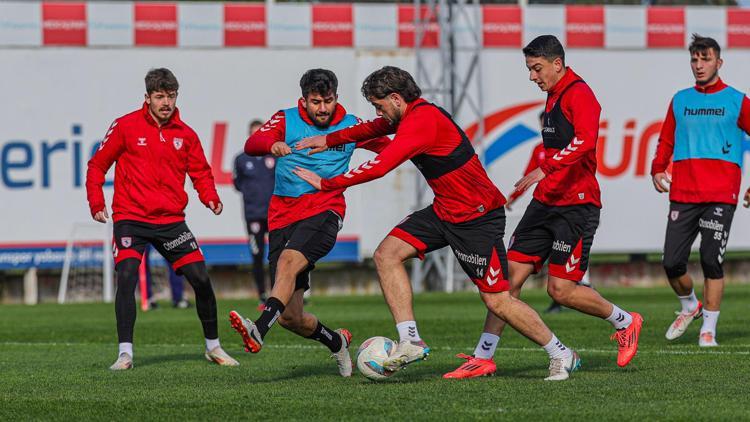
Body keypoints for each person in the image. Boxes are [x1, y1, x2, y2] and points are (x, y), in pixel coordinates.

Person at [295, 66, 580, 381]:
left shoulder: (423, 122)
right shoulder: (409, 115)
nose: (379, 113)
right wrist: (329, 139)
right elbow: (371, 129)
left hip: (477, 217)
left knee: (498, 300)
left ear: (395, 98)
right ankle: (411, 340)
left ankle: (561, 353)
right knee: (386, 254)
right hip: (445, 211)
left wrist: (326, 184)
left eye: (379, 105)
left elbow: (381, 166)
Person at [441, 35, 642, 379]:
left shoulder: (580, 94)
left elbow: (585, 141)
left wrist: (544, 168)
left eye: (536, 68)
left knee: (560, 290)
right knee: (502, 284)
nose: (533, 76)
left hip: (576, 206)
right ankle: (483, 356)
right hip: (544, 203)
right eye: (529, 69)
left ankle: (625, 321)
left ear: (557, 64)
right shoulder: (553, 96)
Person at [228, 69, 389, 377]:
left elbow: (388, 149)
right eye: (316, 102)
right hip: (282, 216)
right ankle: (337, 341)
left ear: (336, 98)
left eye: (328, 101)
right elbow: (253, 142)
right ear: (304, 100)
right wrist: (271, 146)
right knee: (291, 317)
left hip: (325, 209)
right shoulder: (286, 119)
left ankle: (258, 329)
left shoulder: (351, 125)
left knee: (289, 261)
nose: (323, 108)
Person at [86, 68, 238, 370]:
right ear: (147, 98)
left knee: (201, 280)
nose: (166, 102)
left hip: (171, 222)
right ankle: (125, 354)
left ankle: (213, 347)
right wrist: (96, 202)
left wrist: (210, 196)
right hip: (131, 217)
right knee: (127, 277)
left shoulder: (186, 134)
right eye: (159, 97)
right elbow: (97, 165)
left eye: (170, 96)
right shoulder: (125, 126)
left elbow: (201, 172)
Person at [651, 34, 750, 347]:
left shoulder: (737, 100)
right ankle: (689, 305)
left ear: (719, 63)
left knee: (710, 259)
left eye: (705, 59)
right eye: (694, 59)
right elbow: (666, 140)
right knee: (671, 263)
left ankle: (708, 329)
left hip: (721, 194)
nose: (699, 65)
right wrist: (657, 168)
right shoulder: (680, 100)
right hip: (684, 192)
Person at [507, 112, 591, 315]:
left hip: (568, 210)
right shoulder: (539, 149)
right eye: (543, 124)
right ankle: (486, 346)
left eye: (548, 124)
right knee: (512, 276)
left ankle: (585, 287)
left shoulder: (573, 147)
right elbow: (528, 177)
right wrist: (512, 197)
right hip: (543, 208)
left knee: (562, 278)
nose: (546, 128)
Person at [233, 119, 275, 310]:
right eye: (254, 133)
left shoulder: (275, 157)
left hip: (275, 214)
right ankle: (262, 295)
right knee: (257, 255)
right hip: (253, 216)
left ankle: (278, 295)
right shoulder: (241, 159)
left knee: (278, 255)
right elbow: (238, 184)